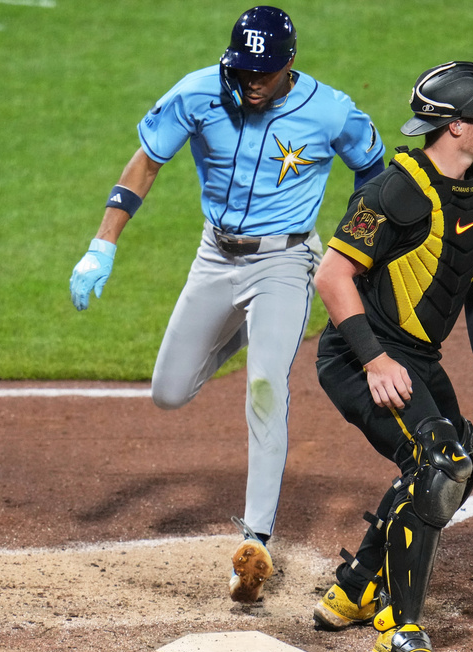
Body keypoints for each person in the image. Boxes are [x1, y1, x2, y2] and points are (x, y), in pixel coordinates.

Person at [68, 6, 385, 604]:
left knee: (266, 383)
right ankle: (252, 329)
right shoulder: (198, 93)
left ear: (288, 63)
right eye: (243, 68)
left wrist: (355, 252)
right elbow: (147, 160)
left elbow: (374, 172)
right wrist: (101, 245)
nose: (251, 80)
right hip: (215, 257)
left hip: (285, 261)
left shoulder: (330, 110)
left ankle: (256, 542)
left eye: (263, 71)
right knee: (168, 390)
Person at [309, 61, 473, 652]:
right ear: (458, 127)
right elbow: (331, 275)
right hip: (359, 357)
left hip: (417, 358)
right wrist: (375, 359)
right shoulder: (394, 190)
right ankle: (399, 632)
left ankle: (356, 587)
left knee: (464, 462)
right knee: (439, 466)